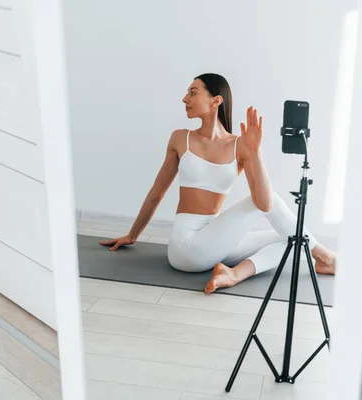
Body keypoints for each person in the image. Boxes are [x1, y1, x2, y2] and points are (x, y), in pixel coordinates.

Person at [101, 73, 336, 294]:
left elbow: (263, 203)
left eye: (193, 93)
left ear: (216, 100)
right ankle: (326, 257)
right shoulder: (180, 138)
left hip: (213, 240)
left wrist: (255, 153)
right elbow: (156, 193)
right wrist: (132, 235)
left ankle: (234, 274)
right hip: (186, 246)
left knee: (294, 239)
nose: (185, 99)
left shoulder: (240, 145)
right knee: (277, 206)